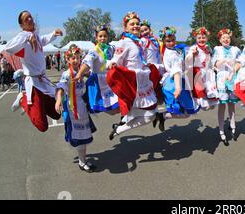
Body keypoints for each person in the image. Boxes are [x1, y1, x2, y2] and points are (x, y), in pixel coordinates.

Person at [5, 11, 62, 132]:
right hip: (34, 84)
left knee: (57, 114)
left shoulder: (35, 36)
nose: (30, 19)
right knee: (42, 126)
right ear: (22, 25)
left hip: (43, 81)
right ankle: (23, 99)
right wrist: (26, 37)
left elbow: (43, 40)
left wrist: (53, 34)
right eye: (26, 19)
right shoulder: (23, 38)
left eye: (30, 16)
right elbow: (8, 48)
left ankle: (38, 107)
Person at [106, 12, 161, 140]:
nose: (136, 26)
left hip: (142, 80)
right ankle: (119, 129)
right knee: (149, 115)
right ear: (125, 27)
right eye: (132, 24)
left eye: (137, 23)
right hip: (133, 83)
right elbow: (116, 59)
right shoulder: (124, 42)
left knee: (148, 113)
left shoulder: (138, 42)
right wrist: (112, 63)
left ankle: (120, 127)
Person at [55, 45, 97, 173]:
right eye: (72, 58)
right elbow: (61, 88)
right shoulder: (67, 74)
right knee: (78, 135)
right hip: (73, 106)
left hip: (81, 105)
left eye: (78, 58)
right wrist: (58, 100)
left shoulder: (81, 70)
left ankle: (82, 160)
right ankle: (82, 161)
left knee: (84, 134)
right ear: (68, 60)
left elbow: (92, 76)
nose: (75, 60)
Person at [156, 27, 199, 129]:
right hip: (174, 83)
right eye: (168, 41)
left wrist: (193, 55)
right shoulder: (172, 54)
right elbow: (176, 71)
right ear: (163, 41)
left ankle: (162, 116)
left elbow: (185, 63)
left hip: (177, 81)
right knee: (186, 111)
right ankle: (162, 116)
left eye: (173, 40)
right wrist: (178, 87)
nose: (171, 43)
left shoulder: (175, 50)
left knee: (185, 112)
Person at [74, 24, 119, 114]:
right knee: (110, 109)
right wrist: (79, 73)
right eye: (100, 36)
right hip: (99, 81)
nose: (103, 38)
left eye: (105, 36)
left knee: (119, 103)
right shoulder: (94, 50)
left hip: (110, 79)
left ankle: (124, 121)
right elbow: (87, 62)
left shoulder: (111, 48)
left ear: (108, 37)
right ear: (96, 37)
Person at [212, 29, 241, 145]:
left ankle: (233, 125)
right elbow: (214, 64)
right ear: (219, 39)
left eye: (227, 37)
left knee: (232, 104)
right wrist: (222, 61)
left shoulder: (235, 49)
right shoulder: (217, 49)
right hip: (221, 79)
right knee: (222, 105)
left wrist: (234, 70)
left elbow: (240, 62)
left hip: (232, 78)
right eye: (223, 37)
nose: (226, 39)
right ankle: (221, 130)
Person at [185, 27, 219, 111]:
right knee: (205, 105)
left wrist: (213, 67)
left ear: (207, 38)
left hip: (208, 74)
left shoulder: (208, 47)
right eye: (199, 38)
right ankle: (198, 103)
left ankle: (205, 100)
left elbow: (209, 60)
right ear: (196, 39)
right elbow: (187, 60)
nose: (201, 40)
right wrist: (193, 55)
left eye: (203, 37)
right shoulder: (193, 48)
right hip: (199, 74)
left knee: (212, 104)